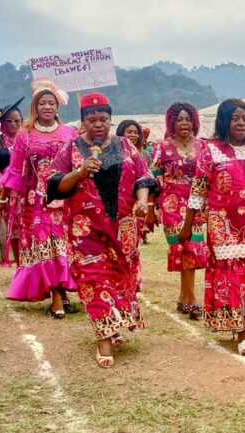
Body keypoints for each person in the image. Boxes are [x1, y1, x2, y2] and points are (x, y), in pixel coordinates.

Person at [48, 93, 157, 368]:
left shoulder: (125, 144)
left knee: (122, 280)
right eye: (91, 120)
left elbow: (144, 176)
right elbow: (53, 184)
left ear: (111, 120)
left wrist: (143, 201)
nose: (98, 125)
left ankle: (113, 324)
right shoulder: (70, 148)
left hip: (123, 229)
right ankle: (104, 340)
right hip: (86, 231)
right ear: (82, 122)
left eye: (103, 119)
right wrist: (79, 172)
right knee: (95, 280)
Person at [180, 98, 245, 356]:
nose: (241, 123)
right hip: (223, 225)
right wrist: (188, 225)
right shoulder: (211, 151)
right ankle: (241, 330)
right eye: (235, 118)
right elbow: (198, 191)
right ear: (224, 121)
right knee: (231, 275)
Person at [0, 78, 78, 318]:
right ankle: (55, 297)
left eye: (51, 103)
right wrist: (4, 197)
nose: (47, 107)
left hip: (65, 198)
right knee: (47, 245)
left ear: (57, 106)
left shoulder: (70, 132)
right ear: (35, 107)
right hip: (37, 200)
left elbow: (77, 165)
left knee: (64, 245)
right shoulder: (25, 135)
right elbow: (16, 168)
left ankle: (63, 290)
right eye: (42, 103)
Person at [149, 103, 209, 317]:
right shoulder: (161, 147)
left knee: (193, 248)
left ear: (194, 121)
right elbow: (152, 179)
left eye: (188, 119)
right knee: (183, 247)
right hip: (172, 203)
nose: (184, 123)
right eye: (179, 119)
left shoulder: (204, 146)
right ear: (171, 122)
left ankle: (184, 297)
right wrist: (150, 209)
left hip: (198, 204)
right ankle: (191, 298)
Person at [0, 98, 24, 265]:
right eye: (9, 121)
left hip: (26, 191)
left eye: (17, 120)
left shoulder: (28, 138)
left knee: (27, 228)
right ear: (2, 123)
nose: (13, 124)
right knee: (13, 231)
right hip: (6, 192)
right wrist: (3, 186)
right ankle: (19, 265)